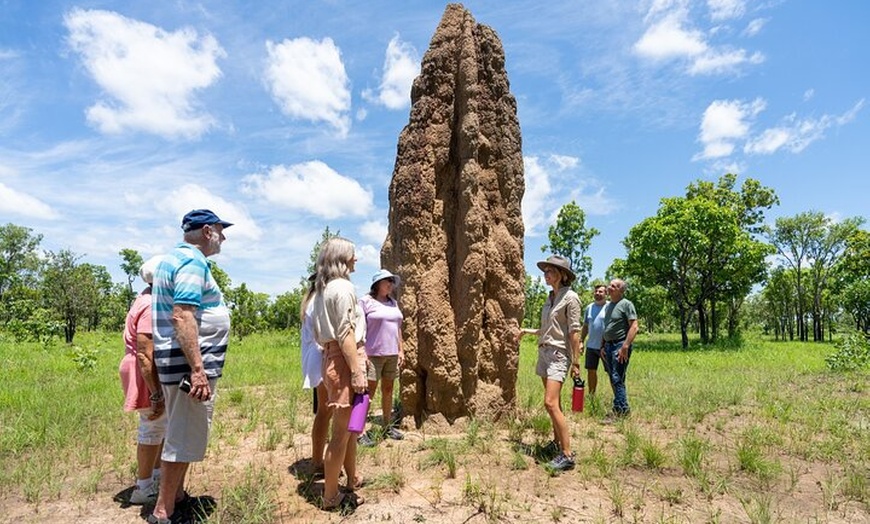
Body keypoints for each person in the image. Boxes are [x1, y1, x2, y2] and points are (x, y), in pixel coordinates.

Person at [147, 209, 233, 524]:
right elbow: (183, 314)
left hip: (179, 363)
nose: (223, 237)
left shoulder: (172, 259)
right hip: (187, 366)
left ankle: (178, 496)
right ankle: (163, 512)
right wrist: (197, 369)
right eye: (221, 231)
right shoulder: (192, 262)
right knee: (182, 435)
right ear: (207, 231)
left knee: (182, 432)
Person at [311, 237, 367, 510]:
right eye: (353, 255)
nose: (356, 259)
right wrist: (356, 371)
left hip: (333, 356)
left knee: (349, 431)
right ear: (343, 258)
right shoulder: (343, 287)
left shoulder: (322, 290)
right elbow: (346, 333)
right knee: (341, 434)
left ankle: (350, 481)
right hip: (346, 359)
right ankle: (331, 497)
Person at [518, 255, 583, 472]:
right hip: (544, 351)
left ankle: (567, 455)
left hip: (558, 355)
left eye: (551, 271)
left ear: (563, 275)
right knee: (555, 403)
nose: (546, 274)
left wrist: (576, 362)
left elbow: (574, 332)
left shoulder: (571, 298)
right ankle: (557, 444)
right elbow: (548, 329)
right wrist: (526, 332)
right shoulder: (550, 298)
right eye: (545, 270)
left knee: (550, 403)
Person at [119, 255, 166, 505]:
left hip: (141, 368)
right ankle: (144, 486)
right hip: (143, 371)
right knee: (152, 424)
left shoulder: (145, 297)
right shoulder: (150, 304)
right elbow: (145, 353)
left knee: (159, 427)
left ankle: (156, 478)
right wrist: (156, 392)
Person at [357, 269, 404, 446]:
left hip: (391, 354)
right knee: (367, 394)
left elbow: (398, 328)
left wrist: (401, 350)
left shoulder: (393, 303)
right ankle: (359, 431)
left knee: (388, 390)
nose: (390, 284)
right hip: (373, 355)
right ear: (377, 284)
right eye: (387, 281)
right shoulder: (365, 302)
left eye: (392, 281)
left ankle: (387, 426)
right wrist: (361, 352)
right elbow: (359, 327)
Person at [300, 274, 331, 475]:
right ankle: (318, 462)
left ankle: (318, 460)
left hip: (316, 358)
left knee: (324, 411)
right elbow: (324, 335)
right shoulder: (318, 300)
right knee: (325, 411)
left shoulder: (311, 299)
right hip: (321, 357)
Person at [601, 279, 638, 419]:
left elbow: (634, 326)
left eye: (614, 286)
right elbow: (607, 327)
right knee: (613, 377)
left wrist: (625, 346)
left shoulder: (626, 304)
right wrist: (602, 345)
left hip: (620, 345)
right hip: (608, 346)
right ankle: (621, 408)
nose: (609, 287)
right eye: (610, 285)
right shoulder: (609, 305)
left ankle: (621, 411)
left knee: (617, 378)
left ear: (621, 291)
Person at [579, 284, 608, 395]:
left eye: (600, 292)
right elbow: (585, 326)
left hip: (606, 346)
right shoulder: (589, 307)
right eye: (596, 291)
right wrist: (581, 341)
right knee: (591, 371)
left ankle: (618, 399)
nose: (597, 293)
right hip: (591, 346)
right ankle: (591, 396)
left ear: (606, 294)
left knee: (611, 372)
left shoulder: (610, 307)